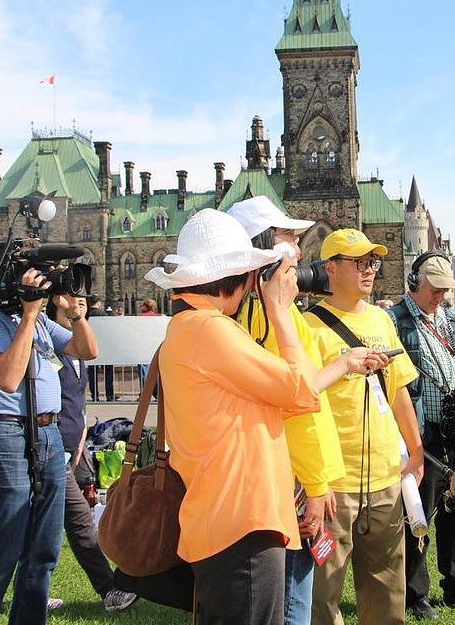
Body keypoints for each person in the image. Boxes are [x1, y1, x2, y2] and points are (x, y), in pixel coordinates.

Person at [144, 208, 327, 625]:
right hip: (241, 525)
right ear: (236, 276)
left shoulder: (190, 328)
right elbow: (301, 388)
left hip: (225, 519)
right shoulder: (209, 329)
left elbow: (280, 397)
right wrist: (279, 312)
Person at [228, 195, 383, 625]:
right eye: (289, 238)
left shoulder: (266, 311)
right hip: (292, 478)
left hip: (295, 473)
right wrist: (315, 483)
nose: (299, 249)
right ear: (264, 248)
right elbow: (296, 404)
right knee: (293, 603)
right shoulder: (267, 316)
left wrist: (345, 363)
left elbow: (302, 386)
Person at [0, 265, 99, 625]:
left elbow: (86, 350)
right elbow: (8, 378)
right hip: (5, 432)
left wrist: (76, 316)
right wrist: (28, 315)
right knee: (6, 542)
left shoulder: (41, 322)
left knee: (45, 546)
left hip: (49, 432)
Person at [304, 228, 423, 625]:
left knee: (387, 592)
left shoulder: (381, 319)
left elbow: (398, 389)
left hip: (385, 475)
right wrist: (315, 478)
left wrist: (416, 450)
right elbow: (301, 400)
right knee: (322, 598)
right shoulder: (308, 327)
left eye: (372, 262)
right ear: (330, 268)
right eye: (359, 262)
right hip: (334, 483)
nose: (370, 270)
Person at [388, 252, 455, 619]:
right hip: (422, 432)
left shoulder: (449, 318)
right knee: (418, 514)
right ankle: (414, 594)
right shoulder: (395, 320)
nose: (441, 297)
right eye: (435, 289)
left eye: (446, 290)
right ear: (414, 283)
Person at [45, 296, 137, 613]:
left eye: (83, 301)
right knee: (63, 523)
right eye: (72, 301)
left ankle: (107, 590)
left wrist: (82, 434)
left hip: (72, 447)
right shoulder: (48, 346)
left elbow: (77, 397)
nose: (79, 304)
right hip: (51, 447)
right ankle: (107, 589)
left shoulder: (78, 349)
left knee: (73, 522)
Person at [86, 294, 114, 402]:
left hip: (90, 346)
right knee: (108, 372)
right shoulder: (104, 314)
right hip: (105, 347)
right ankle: (109, 395)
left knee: (92, 373)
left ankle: (94, 395)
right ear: (98, 302)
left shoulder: (86, 315)